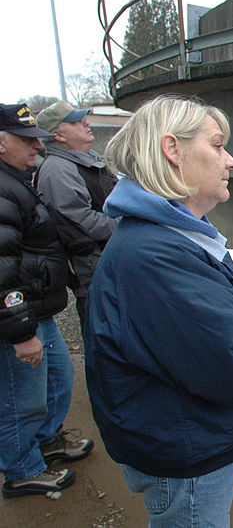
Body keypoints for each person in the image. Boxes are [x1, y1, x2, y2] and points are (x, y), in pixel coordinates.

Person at [82, 95, 233, 527]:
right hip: (184, 452)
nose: (230, 161)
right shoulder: (157, 255)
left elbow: (211, 319)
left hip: (184, 435)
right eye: (217, 145)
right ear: (172, 149)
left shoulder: (172, 236)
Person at [0, 104, 94, 499]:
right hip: (21, 318)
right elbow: (3, 266)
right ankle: (21, 470)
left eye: (35, 137)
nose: (35, 146)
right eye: (25, 140)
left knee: (58, 380)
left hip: (40, 309)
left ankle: (45, 442)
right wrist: (21, 331)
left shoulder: (17, 179)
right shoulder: (3, 188)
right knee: (21, 398)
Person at [35, 101, 117, 332]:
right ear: (57, 135)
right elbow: (80, 221)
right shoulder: (58, 170)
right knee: (105, 338)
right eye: (76, 121)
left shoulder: (87, 160)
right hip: (94, 268)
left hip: (108, 261)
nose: (86, 123)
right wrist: (127, 224)